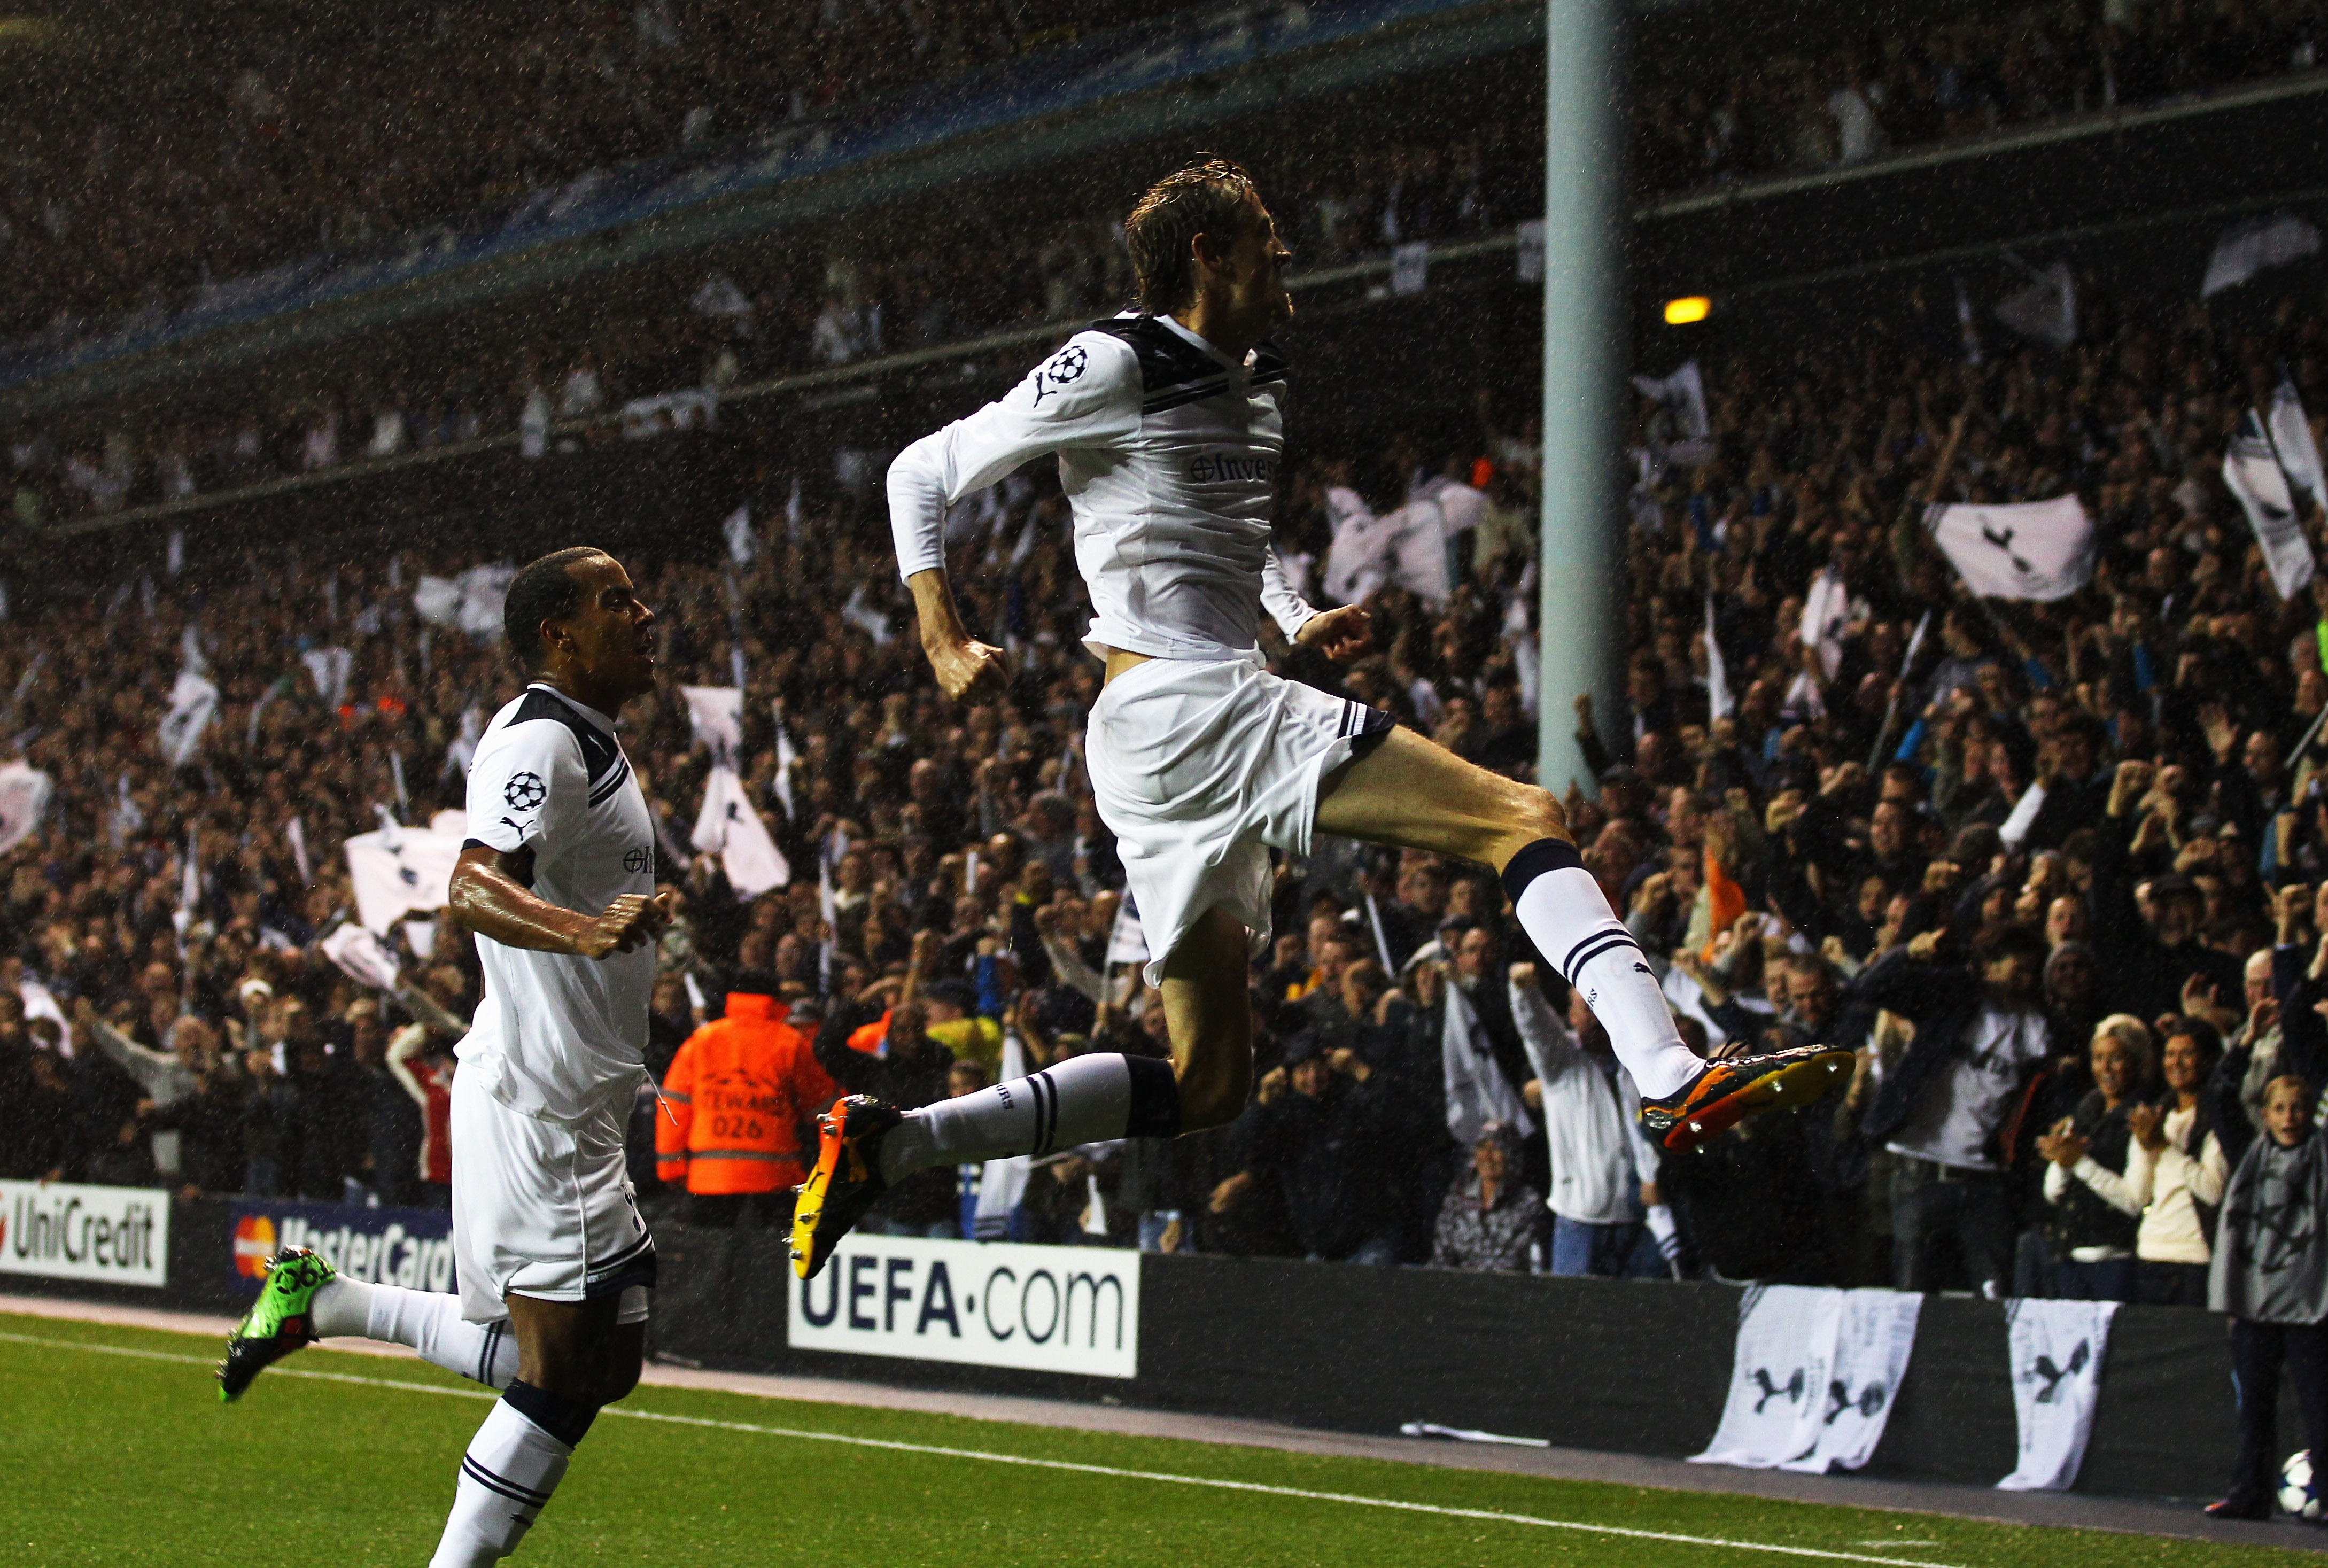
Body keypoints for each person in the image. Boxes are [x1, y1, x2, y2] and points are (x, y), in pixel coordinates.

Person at [791, 154, 1848, 1278]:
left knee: (1207, 1084)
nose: (1285, 248)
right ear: (1207, 253)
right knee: (1523, 813)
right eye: (1263, 230)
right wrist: (942, 637)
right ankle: (1673, 1075)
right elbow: (920, 471)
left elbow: (1237, 543)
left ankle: (898, 1145)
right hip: (1190, 707)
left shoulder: (1255, 375)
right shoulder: (1118, 357)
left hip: (1160, 740)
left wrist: (1293, 616)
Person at [216, 547, 675, 1568]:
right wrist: (583, 930)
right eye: (617, 601)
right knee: (558, 1379)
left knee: (606, 1364)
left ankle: (325, 1301)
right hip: (538, 1107)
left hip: (576, 1106)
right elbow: (469, 886)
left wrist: (611, 927)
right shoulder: (541, 739)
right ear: (559, 633)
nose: (644, 614)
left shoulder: (590, 741)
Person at [1851, 923, 2055, 1296]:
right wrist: (1907, 954)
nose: (2025, 981)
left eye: (2031, 972)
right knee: (1911, 1300)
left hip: (1985, 1181)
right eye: (2017, 970)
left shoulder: (2037, 1028)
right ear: (1990, 967)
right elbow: (1868, 989)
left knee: (1994, 1299)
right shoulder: (1952, 995)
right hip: (1919, 1170)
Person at [2205, 1075, 2328, 1520]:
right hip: (2256, 1302)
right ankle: (2249, 1495)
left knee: (2320, 1408)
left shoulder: (2323, 1155)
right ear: (2266, 1112)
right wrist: (2247, 1045)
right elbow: (2220, 1099)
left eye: (2298, 1107)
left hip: (2310, 1303)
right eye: (2279, 1108)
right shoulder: (2248, 1153)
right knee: (2254, 1408)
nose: (2289, 1117)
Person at [655, 970, 833, 1228]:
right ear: (775, 999)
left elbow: (674, 1106)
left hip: (710, 1178)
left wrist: (670, 1167)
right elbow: (822, 1108)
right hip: (775, 1179)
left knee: (711, 1260)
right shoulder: (789, 1043)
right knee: (772, 1262)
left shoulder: (702, 1041)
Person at [2035, 1017, 2149, 1302]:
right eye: (2098, 1059)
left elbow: (2134, 1201)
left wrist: (2079, 1163)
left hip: (2115, 1264)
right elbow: (2053, 1193)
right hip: (2070, 1258)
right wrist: (2063, 1161)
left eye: (2116, 1059)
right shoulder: (2084, 1113)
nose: (2106, 1069)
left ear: (2135, 1063)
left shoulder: (2142, 1117)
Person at [2126, 1020, 2227, 1306]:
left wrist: (2162, 1146)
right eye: (2170, 1054)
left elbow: (2212, 1190)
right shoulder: (2157, 1116)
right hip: (2150, 1254)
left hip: (2193, 1259)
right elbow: (2138, 1196)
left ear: (2208, 1061)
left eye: (2187, 1054)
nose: (2176, 1063)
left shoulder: (2216, 1120)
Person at [1431, 1120, 1545, 1271]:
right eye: (1482, 1148)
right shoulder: (1456, 1199)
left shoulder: (1528, 1201)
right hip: (1460, 1289)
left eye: (1497, 1149)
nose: (1488, 1157)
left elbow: (1522, 1260)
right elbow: (1442, 1259)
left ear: (1511, 1155)